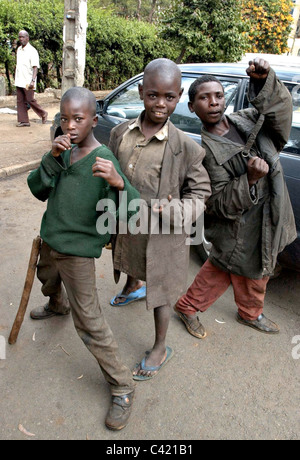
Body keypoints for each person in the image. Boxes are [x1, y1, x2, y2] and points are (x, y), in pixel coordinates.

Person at [27, 87, 140, 431]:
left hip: (78, 253)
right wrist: (50, 158)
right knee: (47, 279)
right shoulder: (62, 153)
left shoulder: (103, 159)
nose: (70, 126)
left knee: (89, 321)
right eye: (64, 119)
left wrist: (119, 183)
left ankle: (122, 384)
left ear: (93, 120)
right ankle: (56, 304)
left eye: (78, 119)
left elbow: (131, 212)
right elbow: (37, 189)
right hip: (50, 240)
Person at [174, 58, 297, 337]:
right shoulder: (204, 154)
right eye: (204, 98)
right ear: (192, 107)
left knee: (258, 268)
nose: (214, 102)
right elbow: (216, 203)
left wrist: (264, 82)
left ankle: (249, 313)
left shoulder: (247, 119)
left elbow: (281, 115)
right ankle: (189, 306)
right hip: (240, 226)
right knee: (229, 267)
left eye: (218, 95)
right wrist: (249, 179)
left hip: (270, 211)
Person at [108, 58, 211, 380]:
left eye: (169, 97)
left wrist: (176, 211)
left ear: (179, 96)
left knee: (163, 289)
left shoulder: (186, 147)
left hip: (164, 232)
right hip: (128, 222)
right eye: (153, 95)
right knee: (127, 257)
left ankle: (160, 345)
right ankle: (132, 283)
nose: (161, 104)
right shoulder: (120, 133)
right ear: (141, 92)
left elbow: (201, 192)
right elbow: (109, 173)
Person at [14, 30, 48, 127]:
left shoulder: (32, 51)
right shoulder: (19, 50)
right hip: (19, 79)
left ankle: (43, 113)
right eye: (20, 37)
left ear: (27, 38)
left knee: (30, 99)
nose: (21, 39)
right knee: (20, 101)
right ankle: (24, 120)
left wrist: (33, 80)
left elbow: (35, 67)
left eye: (23, 37)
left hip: (28, 80)